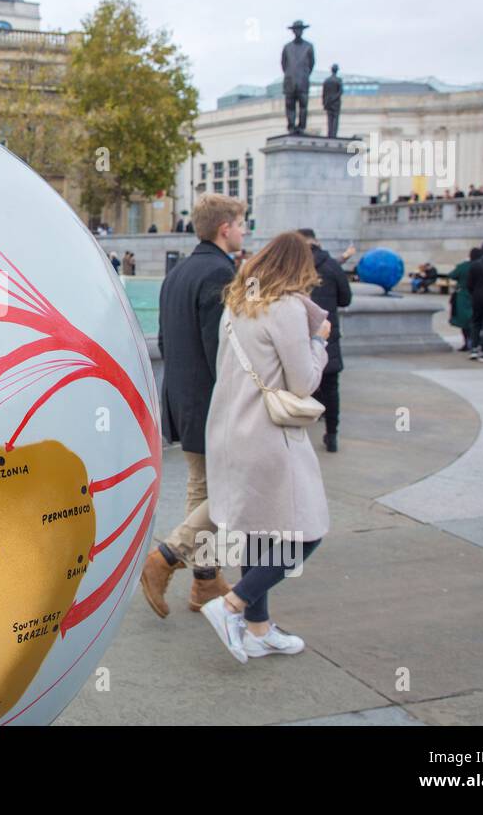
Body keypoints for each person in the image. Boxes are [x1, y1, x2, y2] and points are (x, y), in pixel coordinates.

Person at [199, 231, 331, 662]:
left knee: (258, 534)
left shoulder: (237, 303)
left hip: (227, 431)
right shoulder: (288, 308)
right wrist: (320, 341)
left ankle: (258, 630)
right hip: (269, 437)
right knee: (306, 532)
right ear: (298, 269)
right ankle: (233, 605)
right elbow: (303, 382)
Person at [140, 194, 247, 618]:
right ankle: (166, 556)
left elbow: (166, 341)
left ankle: (205, 581)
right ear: (225, 228)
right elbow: (222, 349)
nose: (244, 231)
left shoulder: (177, 272)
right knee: (229, 490)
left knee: (202, 487)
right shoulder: (222, 273)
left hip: (181, 397)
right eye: (241, 224)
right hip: (214, 402)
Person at [299, 229, 352, 452]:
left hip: (300, 332)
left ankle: (299, 434)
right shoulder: (332, 265)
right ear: (317, 242)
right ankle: (332, 434)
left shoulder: (296, 266)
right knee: (331, 385)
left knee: (300, 383)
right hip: (327, 331)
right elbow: (346, 298)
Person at [448, 248, 479, 352]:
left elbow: (452, 275)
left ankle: (467, 342)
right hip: (478, 295)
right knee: (476, 320)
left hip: (464, 295)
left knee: (464, 321)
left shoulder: (464, 266)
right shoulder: (481, 265)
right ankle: (476, 342)